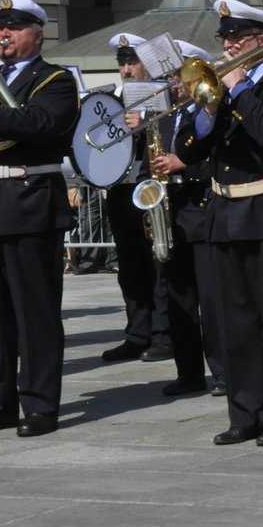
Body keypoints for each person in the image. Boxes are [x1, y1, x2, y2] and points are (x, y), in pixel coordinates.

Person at [177, 0, 263, 446]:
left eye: (238, 39)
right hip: (226, 215)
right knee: (233, 322)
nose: (229, 46)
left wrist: (239, 89)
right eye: (225, 40)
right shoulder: (221, 89)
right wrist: (208, 108)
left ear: (261, 42)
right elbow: (191, 149)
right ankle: (243, 411)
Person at [0, 0, 78, 437]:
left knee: (35, 314)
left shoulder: (55, 80)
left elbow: (42, 124)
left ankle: (40, 405)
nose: (2, 35)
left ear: (37, 34)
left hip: (27, 206)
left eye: (13, 27)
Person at [145, 38, 228, 396]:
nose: (174, 84)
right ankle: (188, 372)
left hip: (203, 210)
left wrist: (184, 164)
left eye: (179, 76)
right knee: (178, 299)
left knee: (212, 303)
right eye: (172, 77)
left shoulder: (211, 111)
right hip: (174, 215)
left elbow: (218, 158)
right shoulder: (170, 116)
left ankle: (224, 372)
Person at [98, 34, 172, 364]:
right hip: (120, 189)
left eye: (133, 63)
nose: (127, 70)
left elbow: (170, 133)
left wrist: (143, 123)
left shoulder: (160, 95)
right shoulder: (111, 98)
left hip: (150, 188)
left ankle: (163, 334)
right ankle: (136, 333)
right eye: (123, 63)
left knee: (157, 265)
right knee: (129, 267)